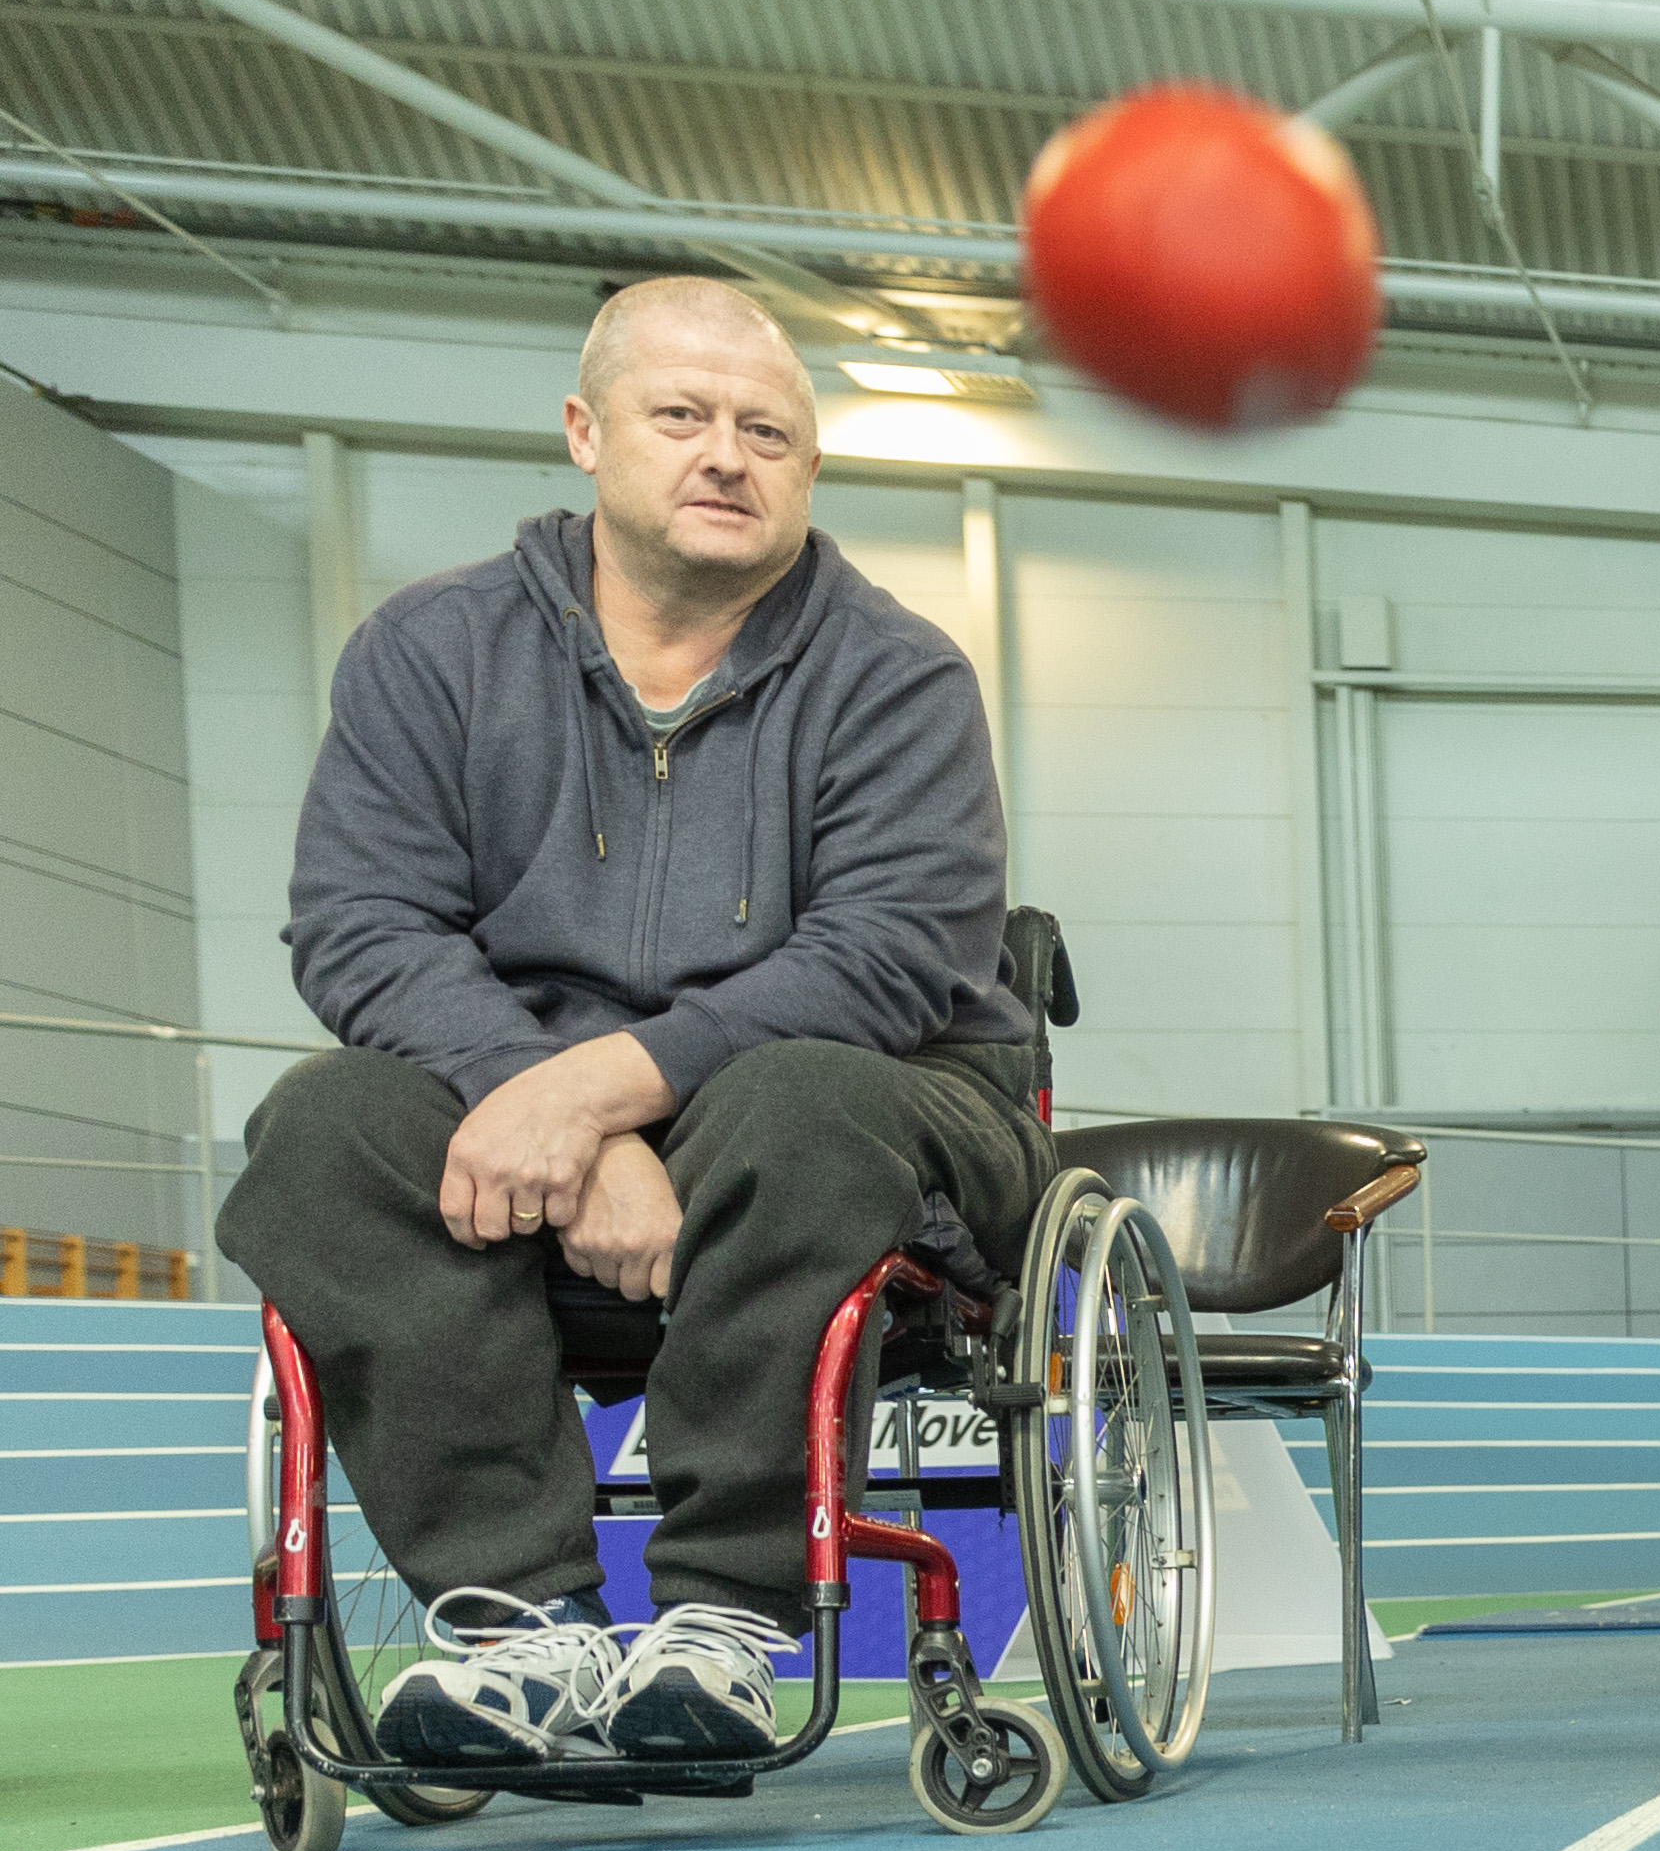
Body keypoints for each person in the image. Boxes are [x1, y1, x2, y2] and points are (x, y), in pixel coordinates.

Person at [220, 276, 1043, 1772]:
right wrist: (555, 1110)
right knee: (323, 1124)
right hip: (527, 1106)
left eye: (769, 432)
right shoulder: (430, 653)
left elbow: (882, 958)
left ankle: (724, 1621)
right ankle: (514, 1626)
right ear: (587, 435)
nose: (728, 455)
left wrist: (596, 1090)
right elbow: (362, 924)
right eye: (683, 417)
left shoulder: (899, 675)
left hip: (882, 1104)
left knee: (798, 1099)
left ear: (808, 469)